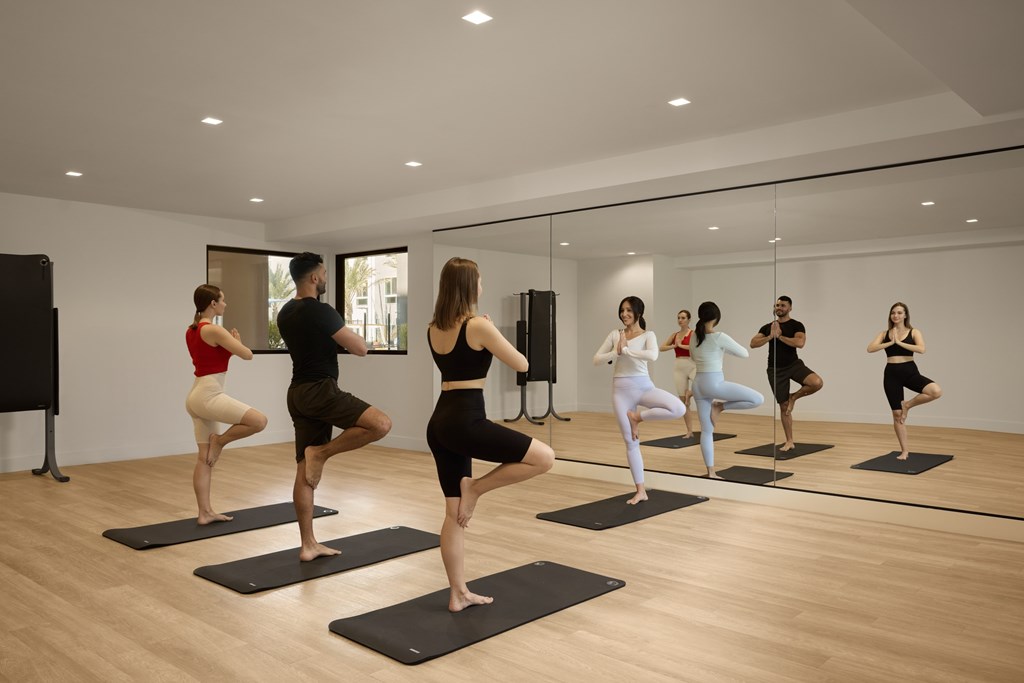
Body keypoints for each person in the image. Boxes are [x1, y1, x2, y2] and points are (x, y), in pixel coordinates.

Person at [427, 257, 554, 612]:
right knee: (545, 457)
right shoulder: (477, 326)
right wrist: (491, 329)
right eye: (479, 281)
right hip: (466, 419)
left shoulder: (433, 327)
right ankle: (476, 489)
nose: (482, 287)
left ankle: (458, 594)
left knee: (453, 514)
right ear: (470, 286)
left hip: (440, 421)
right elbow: (523, 364)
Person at [278, 252, 392, 561]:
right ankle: (323, 453)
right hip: (320, 389)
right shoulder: (321, 311)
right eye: (325, 273)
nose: (326, 278)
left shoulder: (285, 312)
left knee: (304, 469)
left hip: (297, 392)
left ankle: (308, 545)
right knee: (380, 424)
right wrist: (343, 329)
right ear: (314, 278)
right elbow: (360, 348)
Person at [184, 285, 268, 525]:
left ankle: (205, 513)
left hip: (196, 394)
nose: (225, 304)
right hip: (209, 394)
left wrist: (230, 347)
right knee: (259, 421)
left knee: (204, 459)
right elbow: (248, 354)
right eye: (222, 300)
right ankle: (219, 442)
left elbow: (214, 356)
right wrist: (236, 342)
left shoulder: (192, 330)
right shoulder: (214, 329)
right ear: (212, 303)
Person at [594, 296, 686, 504]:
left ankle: (638, 417)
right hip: (621, 391)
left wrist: (626, 350)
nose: (624, 314)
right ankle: (641, 491)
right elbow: (597, 360)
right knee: (630, 441)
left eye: (628, 310)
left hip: (644, 387)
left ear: (638, 313)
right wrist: (617, 351)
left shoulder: (648, 335)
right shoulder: (614, 334)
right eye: (622, 310)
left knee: (678, 408)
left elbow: (653, 355)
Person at [690, 301, 764, 478]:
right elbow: (744, 353)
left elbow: (693, 357)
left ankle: (711, 472)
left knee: (706, 431)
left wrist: (719, 351)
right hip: (713, 382)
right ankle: (721, 407)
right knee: (758, 399)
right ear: (716, 318)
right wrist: (723, 348)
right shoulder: (719, 336)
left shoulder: (694, 335)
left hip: (698, 383)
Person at [867, 302, 942, 460]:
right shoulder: (884, 333)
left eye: (900, 313)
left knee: (935, 391)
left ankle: (907, 404)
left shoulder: (914, 332)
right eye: (893, 313)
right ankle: (905, 451)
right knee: (896, 415)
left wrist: (900, 343)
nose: (896, 315)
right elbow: (870, 348)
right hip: (891, 374)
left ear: (905, 315)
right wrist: (890, 342)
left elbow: (922, 349)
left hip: (909, 372)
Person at [750, 296, 824, 451]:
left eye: (783, 305)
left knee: (816, 382)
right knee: (784, 407)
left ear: (790, 308)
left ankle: (794, 397)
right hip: (775, 369)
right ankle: (789, 441)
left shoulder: (797, 325)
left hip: (793, 365)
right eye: (777, 305)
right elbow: (753, 343)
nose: (779, 308)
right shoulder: (767, 327)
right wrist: (770, 336)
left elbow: (800, 343)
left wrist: (780, 336)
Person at [660, 309, 697, 439]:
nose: (680, 320)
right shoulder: (674, 335)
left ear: (689, 320)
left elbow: (695, 348)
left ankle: (690, 393)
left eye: (683, 318)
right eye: (679, 318)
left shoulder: (693, 334)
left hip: (692, 364)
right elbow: (661, 347)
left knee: (701, 387)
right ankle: (689, 431)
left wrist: (680, 345)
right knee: (683, 402)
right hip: (679, 366)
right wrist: (674, 346)